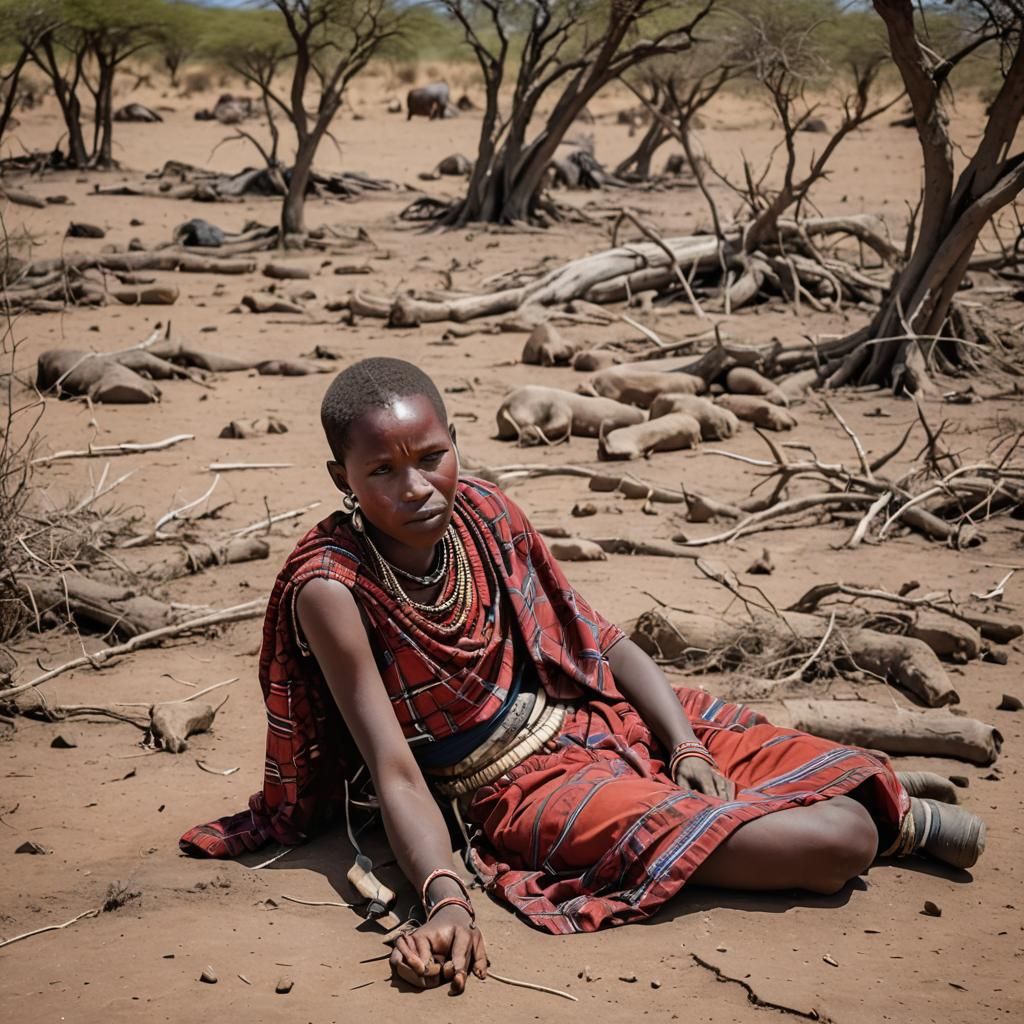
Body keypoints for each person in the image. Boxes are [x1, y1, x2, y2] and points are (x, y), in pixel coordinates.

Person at [181, 357, 986, 994]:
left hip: (588, 712)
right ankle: (890, 824)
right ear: (341, 481)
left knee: (765, 756)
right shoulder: (334, 586)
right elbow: (395, 767)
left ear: (457, 441)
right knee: (838, 837)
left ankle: (872, 810)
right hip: (513, 789)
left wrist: (684, 748)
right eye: (382, 472)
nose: (416, 487)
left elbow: (602, 644)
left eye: (432, 456)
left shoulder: (488, 514)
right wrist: (446, 898)